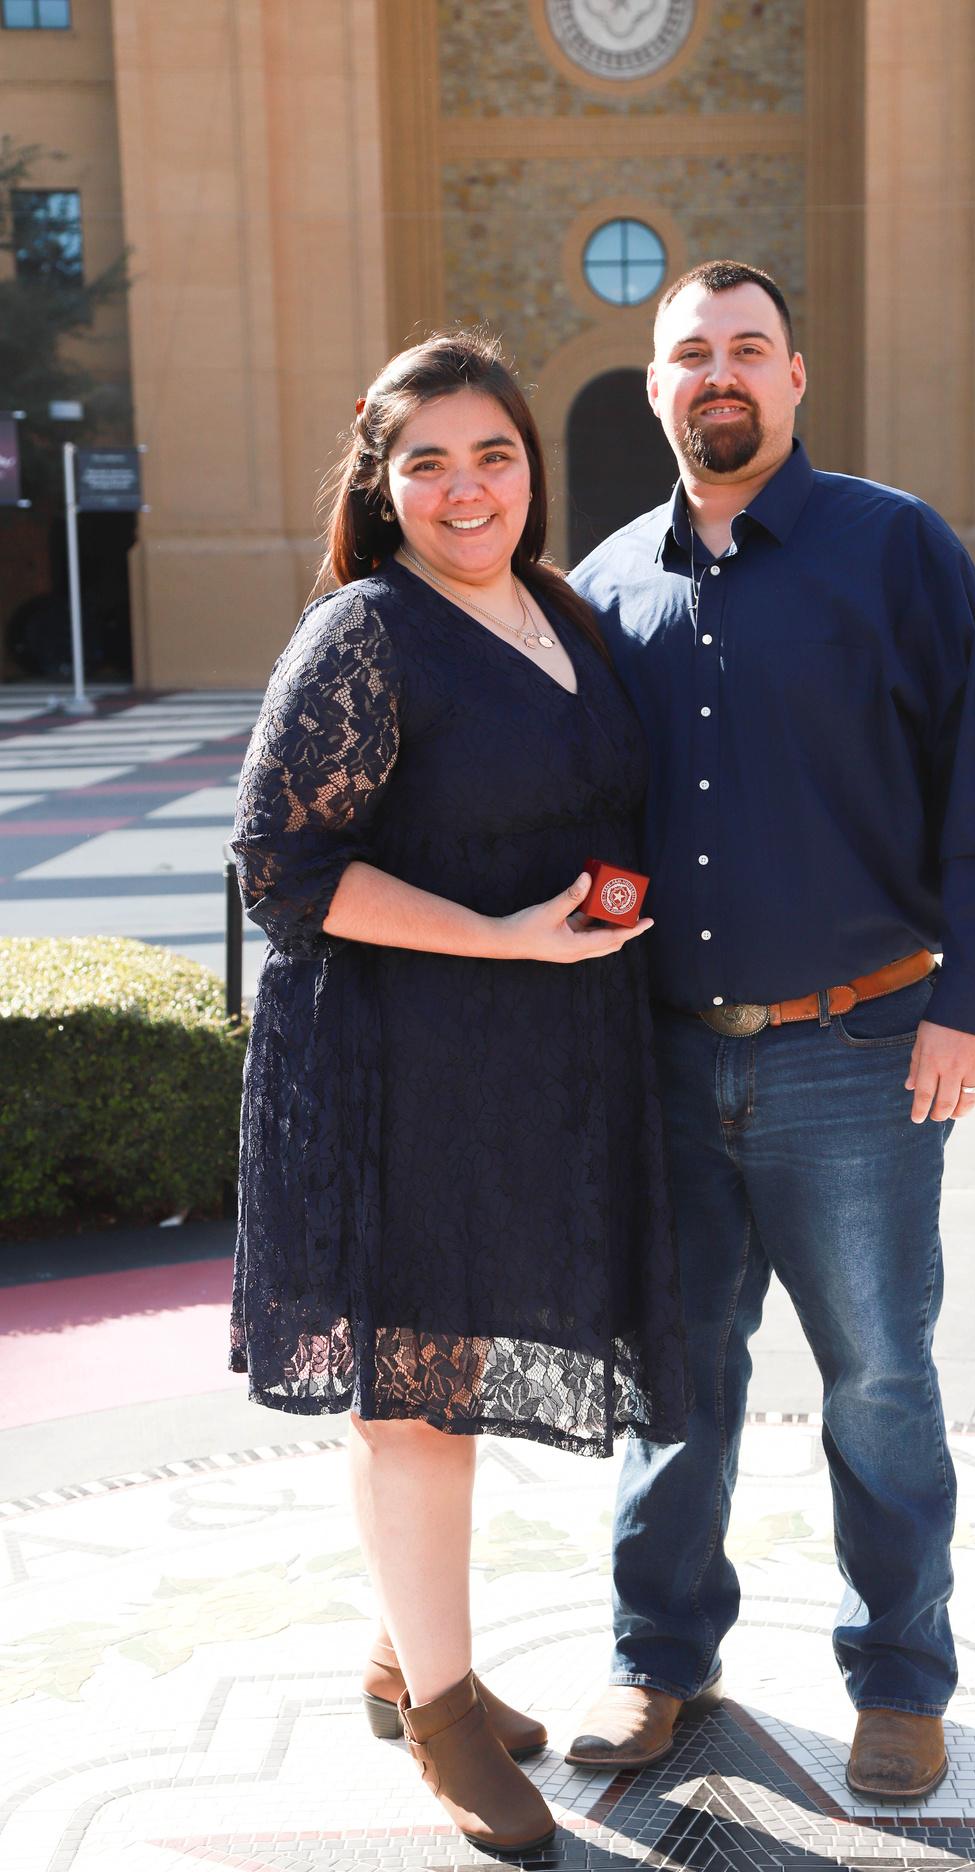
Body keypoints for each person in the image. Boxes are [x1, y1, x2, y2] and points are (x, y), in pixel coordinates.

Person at [566, 261, 975, 1801]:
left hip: (855, 1057)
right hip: (664, 1059)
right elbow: (574, 825)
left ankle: (900, 1680)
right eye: (690, 353)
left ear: (795, 377)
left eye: (748, 348)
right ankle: (660, 1660)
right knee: (673, 1384)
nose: (718, 373)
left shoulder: (896, 548)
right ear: (657, 385)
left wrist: (966, 1005)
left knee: (881, 1385)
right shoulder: (603, 585)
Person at [229, 331, 687, 1853]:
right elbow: (279, 867)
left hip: (526, 1066)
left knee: (449, 1384)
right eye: (427, 462)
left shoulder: (557, 610)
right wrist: (498, 935)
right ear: (384, 484)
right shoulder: (366, 631)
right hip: (397, 1065)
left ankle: (406, 1655)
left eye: (494, 453)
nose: (467, 487)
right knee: (415, 1402)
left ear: (530, 468)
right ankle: (441, 1717)